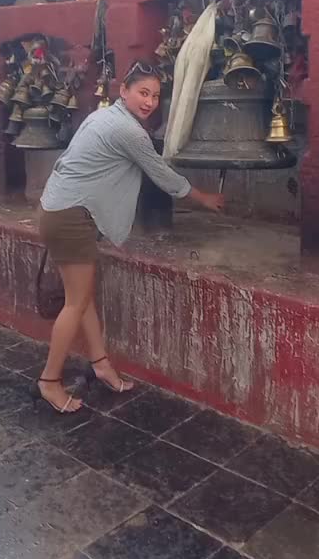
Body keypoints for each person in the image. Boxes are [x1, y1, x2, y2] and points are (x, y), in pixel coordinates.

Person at [33, 61, 225, 413]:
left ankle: (101, 365)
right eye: (142, 92)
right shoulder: (129, 132)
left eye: (155, 95)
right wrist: (204, 198)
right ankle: (49, 381)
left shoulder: (102, 115)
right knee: (75, 303)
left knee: (82, 298)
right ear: (124, 90)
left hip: (57, 209)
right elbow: (163, 176)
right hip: (71, 218)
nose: (149, 102)